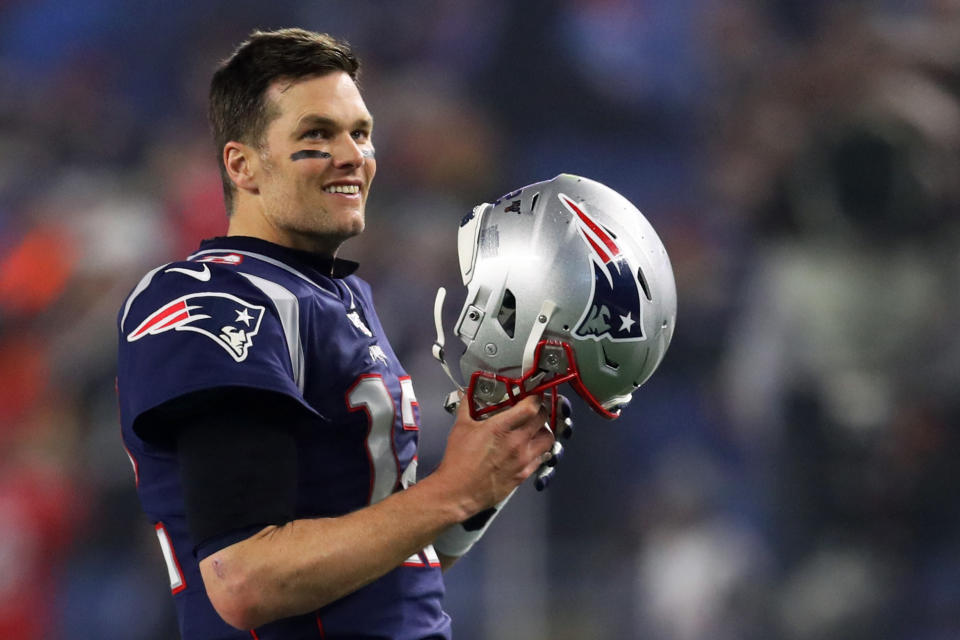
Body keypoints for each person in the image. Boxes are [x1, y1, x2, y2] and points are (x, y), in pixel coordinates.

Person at [117, 28, 556, 639]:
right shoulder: (216, 298)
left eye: (361, 132)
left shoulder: (341, 296)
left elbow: (387, 564)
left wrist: (490, 478)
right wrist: (452, 490)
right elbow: (244, 579)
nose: (353, 155)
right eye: (316, 135)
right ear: (242, 164)